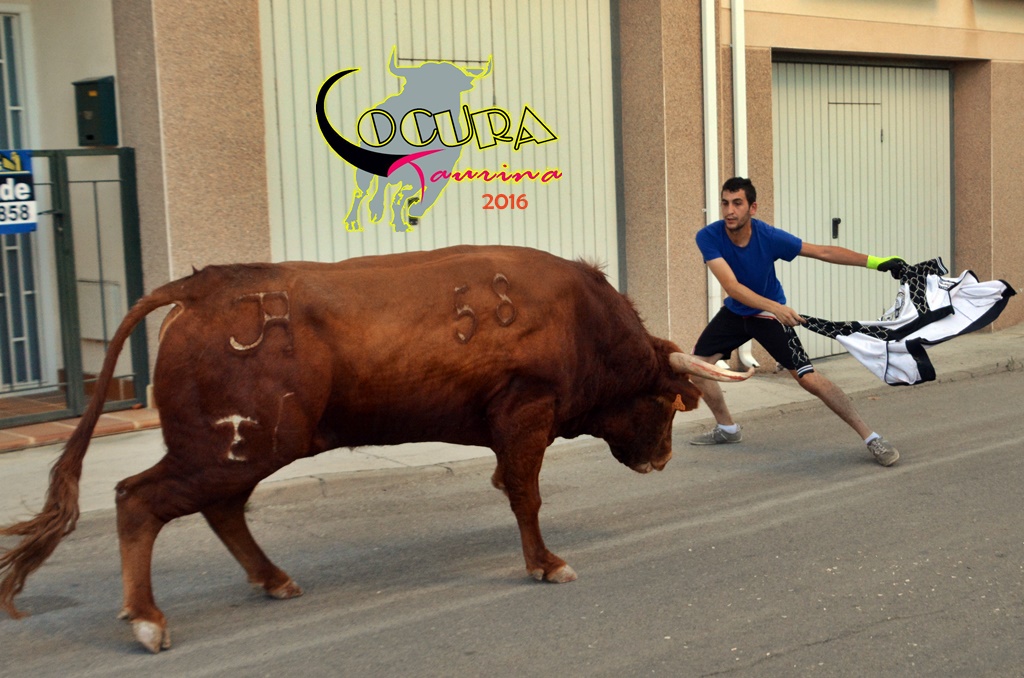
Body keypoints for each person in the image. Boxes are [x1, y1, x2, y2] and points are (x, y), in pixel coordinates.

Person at [688, 177, 902, 466]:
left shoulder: (768, 236)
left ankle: (871, 437)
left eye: (737, 203)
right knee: (697, 368)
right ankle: (727, 429)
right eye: (725, 203)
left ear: (753, 208)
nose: (729, 211)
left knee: (808, 378)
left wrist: (877, 262)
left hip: (767, 317)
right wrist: (776, 307)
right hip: (739, 312)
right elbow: (733, 287)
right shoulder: (709, 236)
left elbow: (823, 251)